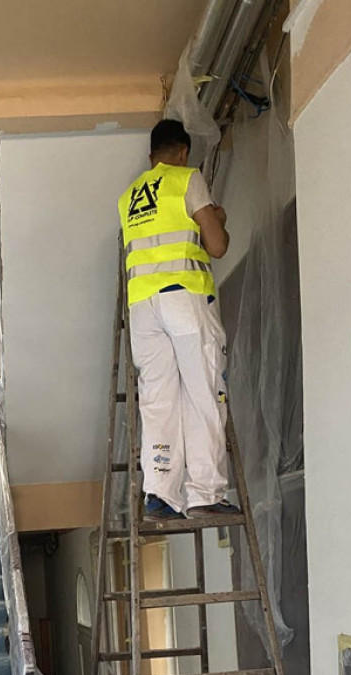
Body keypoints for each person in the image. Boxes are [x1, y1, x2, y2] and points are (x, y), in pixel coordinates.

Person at [118, 118, 237, 521]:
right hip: (183, 298)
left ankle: (161, 494)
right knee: (203, 392)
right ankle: (205, 493)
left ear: (151, 155)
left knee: (158, 400)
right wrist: (219, 219)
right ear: (183, 152)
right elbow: (217, 246)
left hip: (142, 308)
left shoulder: (128, 197)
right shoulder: (187, 179)